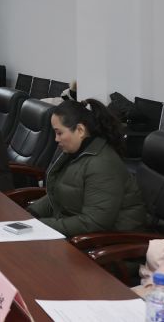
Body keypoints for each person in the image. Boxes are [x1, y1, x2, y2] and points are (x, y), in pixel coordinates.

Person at [26, 99, 148, 237]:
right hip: (81, 234)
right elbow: (59, 196)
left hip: (111, 242)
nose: (56, 139)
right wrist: (30, 213)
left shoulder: (102, 164)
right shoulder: (76, 153)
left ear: (80, 130)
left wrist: (40, 226)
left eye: (59, 133)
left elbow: (94, 223)